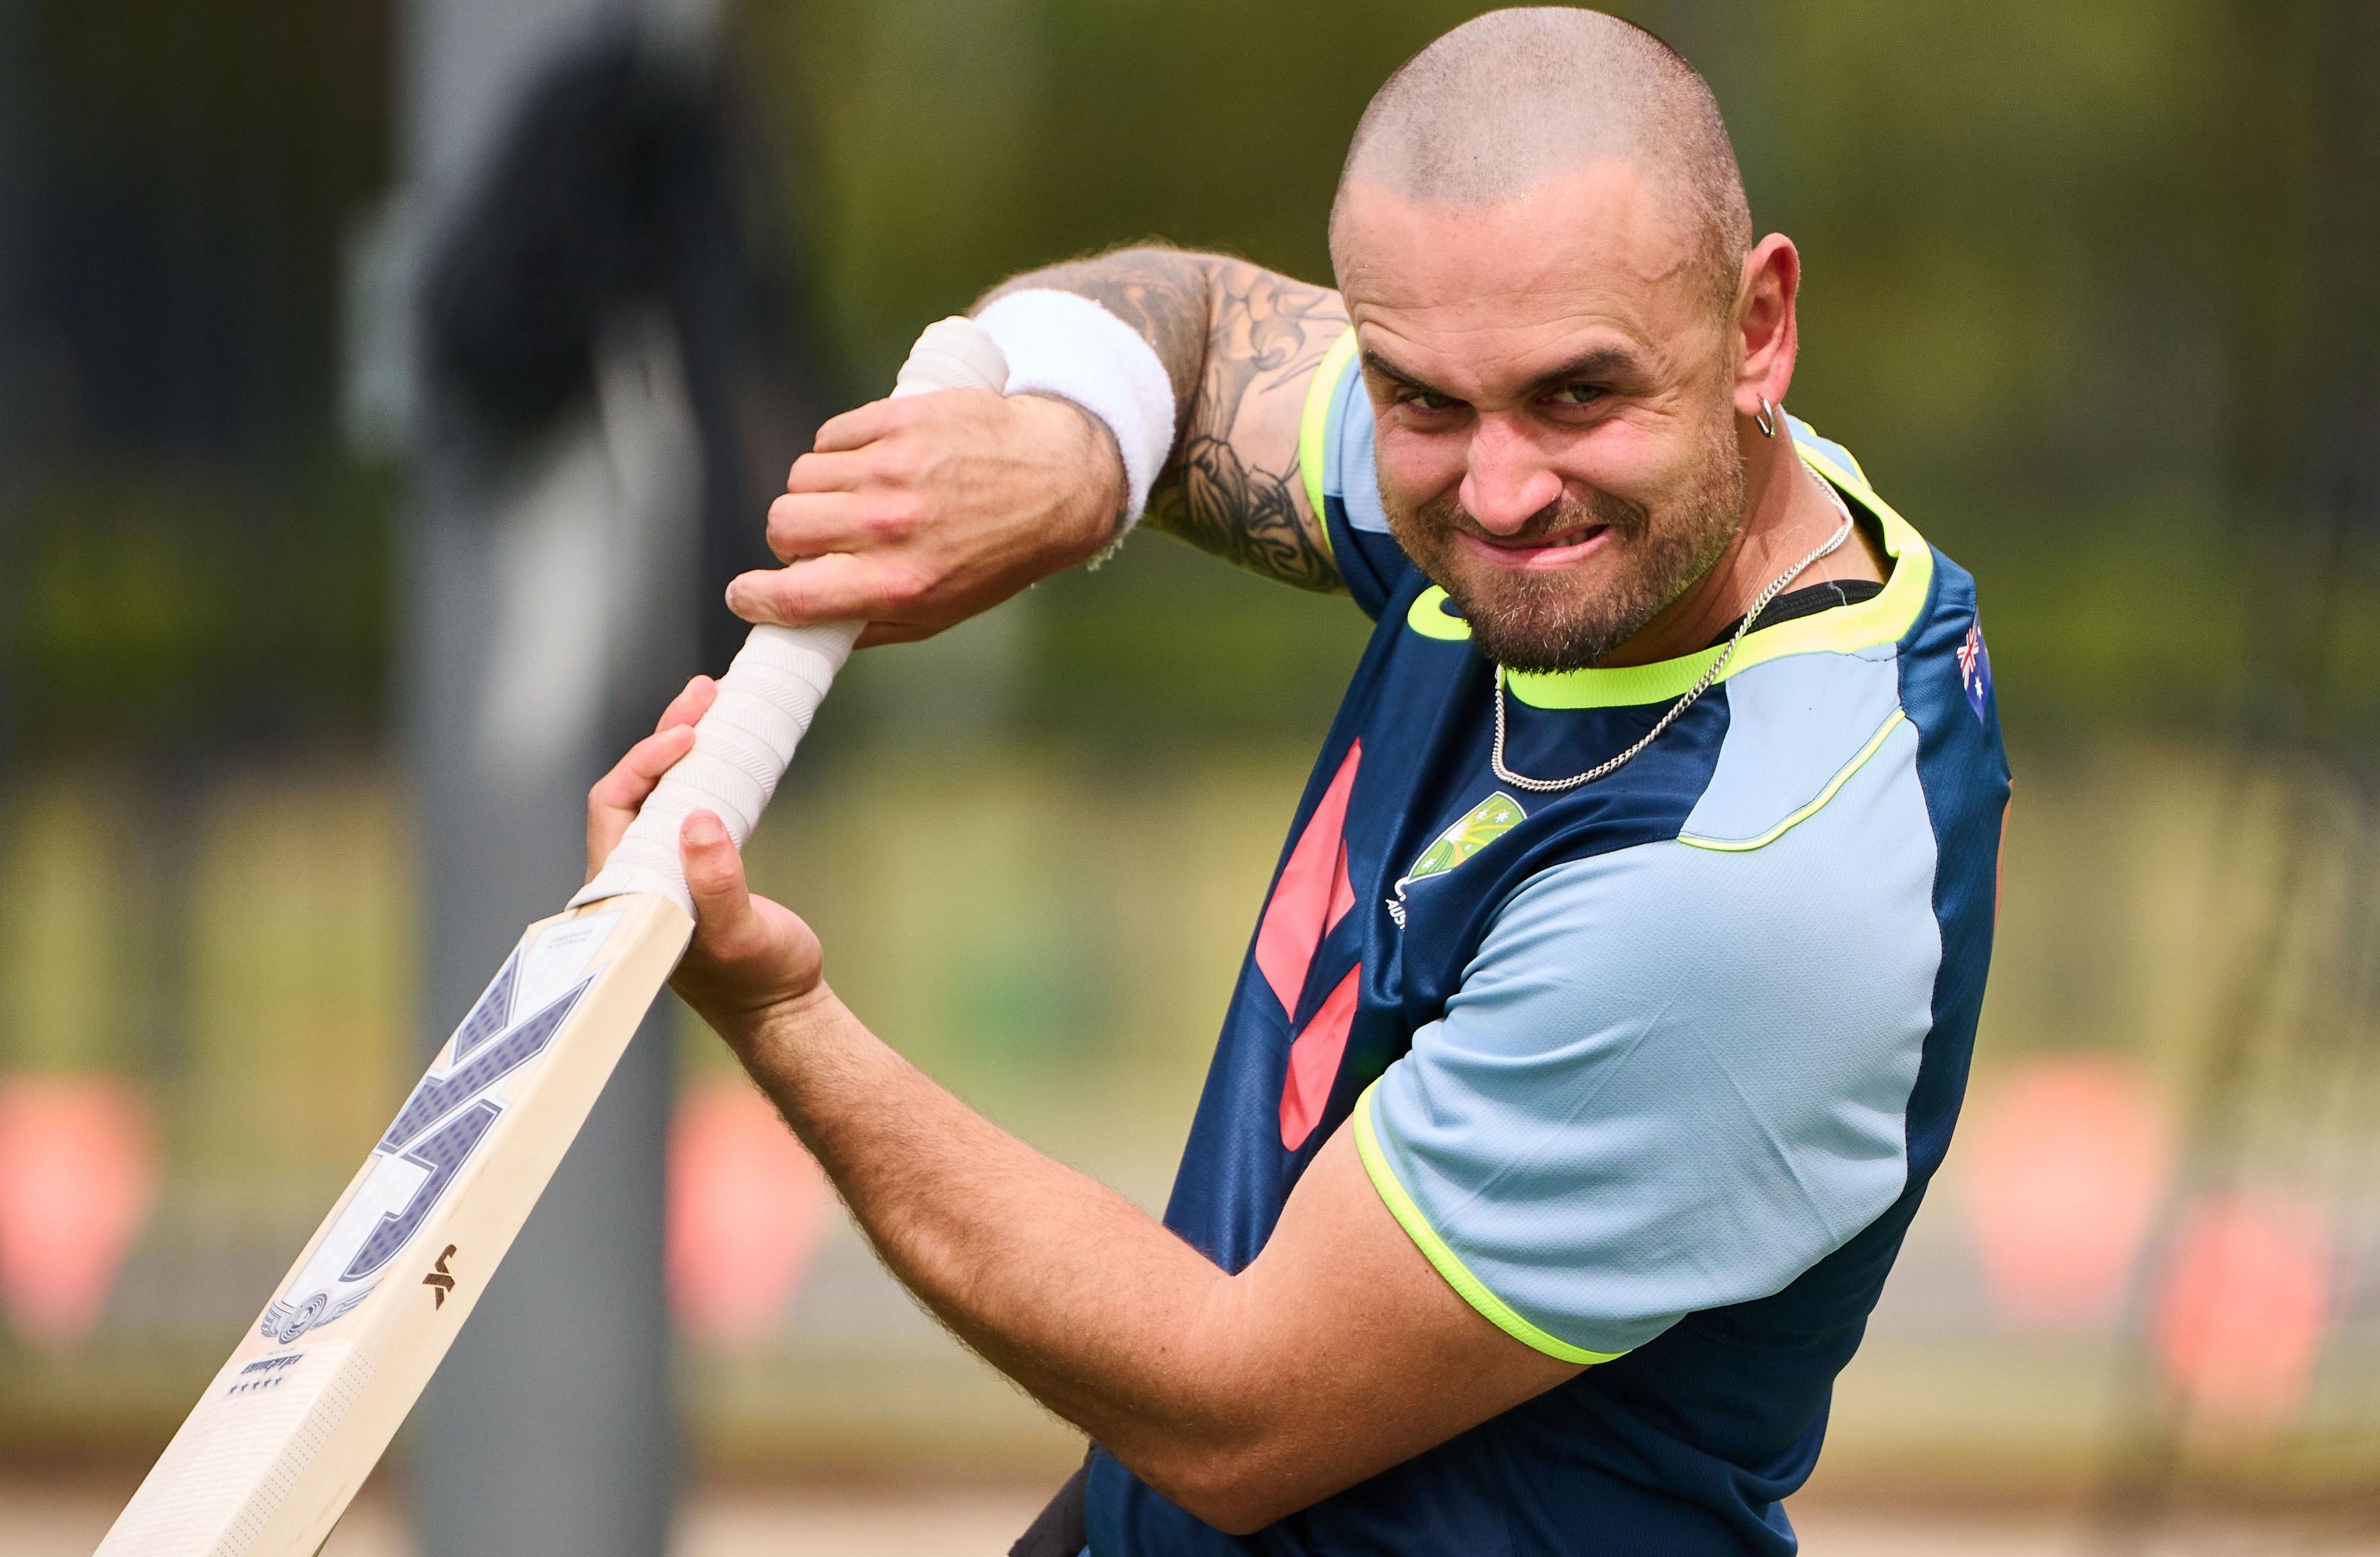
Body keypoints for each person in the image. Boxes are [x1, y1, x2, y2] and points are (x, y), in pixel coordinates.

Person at [589, 11, 2007, 1553]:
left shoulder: (1746, 878)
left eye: (1576, 396)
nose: (1503, 489)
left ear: (1760, 326)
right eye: (1421, 401)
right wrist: (1083, 452)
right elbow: (1184, 319)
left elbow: (1233, 1412)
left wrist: (780, 1018)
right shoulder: (1608, 490)